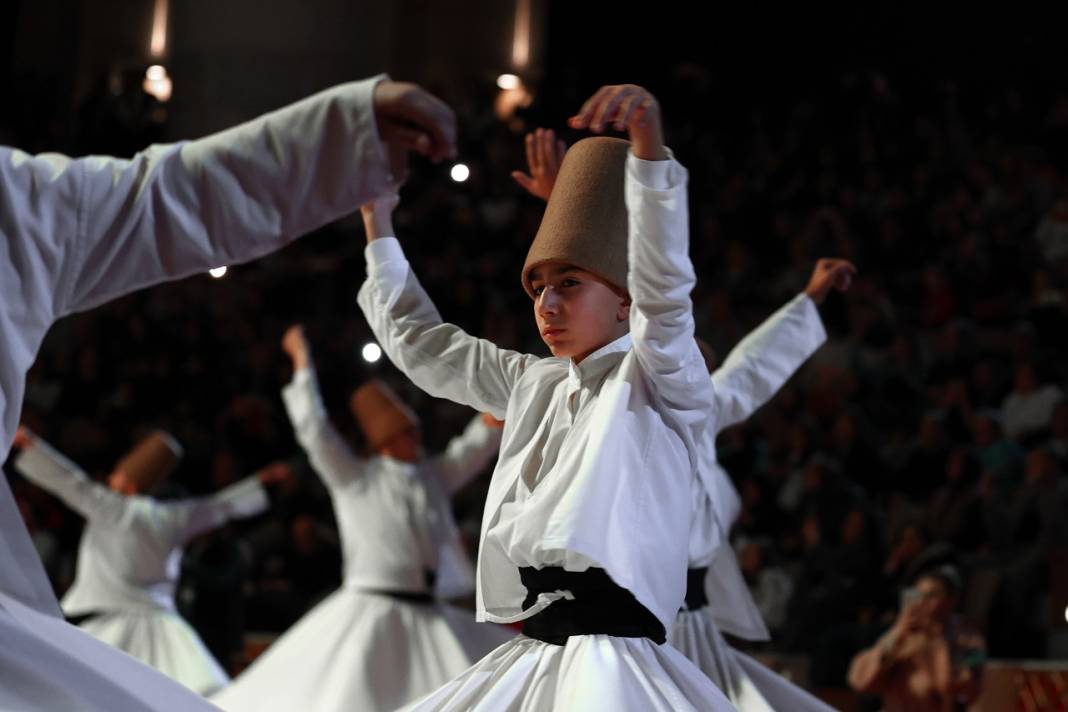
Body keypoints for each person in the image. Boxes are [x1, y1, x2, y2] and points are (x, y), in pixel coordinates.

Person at [0, 74, 454, 710]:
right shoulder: (133, 511)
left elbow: (169, 196)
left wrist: (342, 135)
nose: (408, 441)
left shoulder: (13, 201)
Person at [360, 83, 734, 710]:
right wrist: (377, 223)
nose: (547, 304)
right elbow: (421, 343)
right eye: (537, 289)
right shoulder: (531, 382)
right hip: (536, 651)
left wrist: (648, 155)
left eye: (568, 284)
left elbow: (665, 289)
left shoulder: (661, 376)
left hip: (620, 656)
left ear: (625, 299)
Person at [515, 127, 852, 710]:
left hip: (681, 624)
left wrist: (809, 303)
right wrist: (569, 216)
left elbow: (750, 367)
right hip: (627, 623)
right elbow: (631, 299)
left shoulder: (700, 405)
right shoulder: (624, 392)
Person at [212, 325, 512, 711]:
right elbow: (315, 432)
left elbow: (472, 449)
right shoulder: (356, 478)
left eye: (415, 431)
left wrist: (494, 413)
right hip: (370, 609)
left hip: (430, 611)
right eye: (407, 433)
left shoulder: (432, 476)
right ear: (386, 439)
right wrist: (302, 365)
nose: (416, 438)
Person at [11, 427, 291, 694]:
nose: (110, 479)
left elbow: (70, 481)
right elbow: (219, 506)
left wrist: (31, 445)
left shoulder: (111, 507)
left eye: (116, 476)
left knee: (79, 689)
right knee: (185, 692)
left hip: (110, 626)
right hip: (164, 631)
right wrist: (260, 483)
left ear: (129, 485)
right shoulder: (171, 518)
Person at [848, 564, 985, 712]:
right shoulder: (903, 634)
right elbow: (862, 681)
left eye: (931, 596)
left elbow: (957, 689)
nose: (922, 603)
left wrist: (937, 643)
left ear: (951, 600)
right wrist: (897, 631)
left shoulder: (968, 638)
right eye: (919, 595)